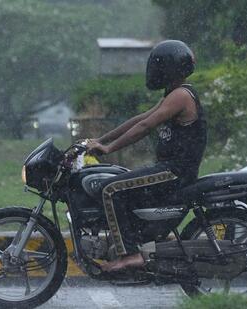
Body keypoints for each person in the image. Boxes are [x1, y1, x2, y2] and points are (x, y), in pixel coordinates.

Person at [86, 40, 208, 272]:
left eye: (158, 65)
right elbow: (138, 120)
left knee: (110, 189)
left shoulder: (181, 95)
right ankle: (140, 241)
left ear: (170, 67)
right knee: (121, 186)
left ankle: (129, 254)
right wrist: (101, 140)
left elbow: (145, 126)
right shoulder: (172, 94)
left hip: (175, 172)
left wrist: (110, 149)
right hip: (169, 169)